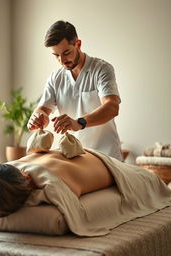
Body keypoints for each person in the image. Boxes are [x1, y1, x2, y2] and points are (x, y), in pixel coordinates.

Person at [27, 20, 122, 160]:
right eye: (56, 55)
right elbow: (43, 109)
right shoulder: (56, 78)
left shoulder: (101, 69)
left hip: (105, 156)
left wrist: (79, 123)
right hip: (72, 156)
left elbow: (112, 107)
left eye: (66, 52)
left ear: (78, 44)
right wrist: (37, 118)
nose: (62, 60)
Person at [0, 149, 115, 217]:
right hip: (104, 161)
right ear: (26, 177)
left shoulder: (17, 174)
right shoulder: (57, 184)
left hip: (101, 157)